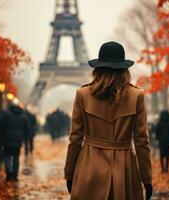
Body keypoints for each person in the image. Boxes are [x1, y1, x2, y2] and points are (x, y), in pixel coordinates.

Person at [64, 41, 153, 200]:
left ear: (97, 69)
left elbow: (75, 139)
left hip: (89, 166)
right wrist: (147, 178)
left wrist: (69, 173)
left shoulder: (83, 94)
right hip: (124, 169)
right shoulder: (136, 95)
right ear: (124, 69)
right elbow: (142, 141)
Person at [0, 103, 29, 181]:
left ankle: (9, 172)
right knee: (16, 157)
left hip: (7, 139)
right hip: (18, 140)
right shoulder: (23, 116)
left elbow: (0, 126)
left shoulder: (6, 115)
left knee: (7, 156)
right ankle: (15, 175)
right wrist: (23, 136)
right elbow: (27, 128)